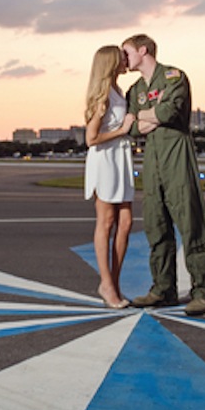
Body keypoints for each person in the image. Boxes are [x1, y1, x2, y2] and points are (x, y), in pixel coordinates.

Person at [121, 33, 205, 316]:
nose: (123, 59)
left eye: (127, 52)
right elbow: (133, 127)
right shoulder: (135, 90)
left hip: (177, 155)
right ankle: (163, 289)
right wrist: (148, 118)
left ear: (143, 50)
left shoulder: (175, 77)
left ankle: (204, 292)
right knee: (155, 225)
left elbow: (170, 111)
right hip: (151, 161)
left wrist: (145, 116)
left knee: (191, 223)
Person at [83, 44, 135, 309]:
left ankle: (113, 284)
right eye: (121, 57)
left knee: (126, 222)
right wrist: (122, 129)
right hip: (105, 160)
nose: (125, 60)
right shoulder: (103, 95)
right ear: (111, 62)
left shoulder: (118, 90)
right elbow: (90, 138)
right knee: (106, 222)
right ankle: (106, 284)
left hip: (119, 159)